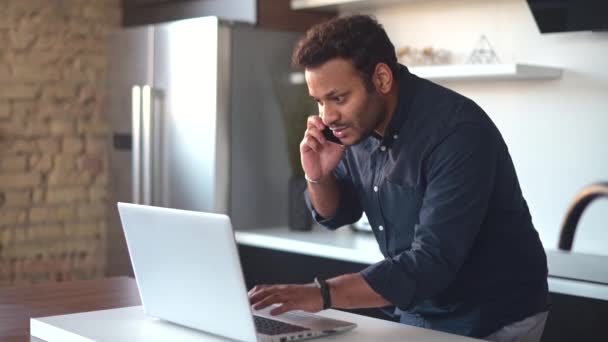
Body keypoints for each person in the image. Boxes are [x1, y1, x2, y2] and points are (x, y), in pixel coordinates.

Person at [248, 15, 549, 342]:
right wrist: (318, 176)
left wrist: (322, 293)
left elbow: (432, 261)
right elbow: (338, 214)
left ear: (381, 78)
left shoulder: (457, 132)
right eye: (320, 101)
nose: (327, 117)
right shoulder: (357, 126)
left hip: (492, 313)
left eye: (338, 98)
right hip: (417, 305)